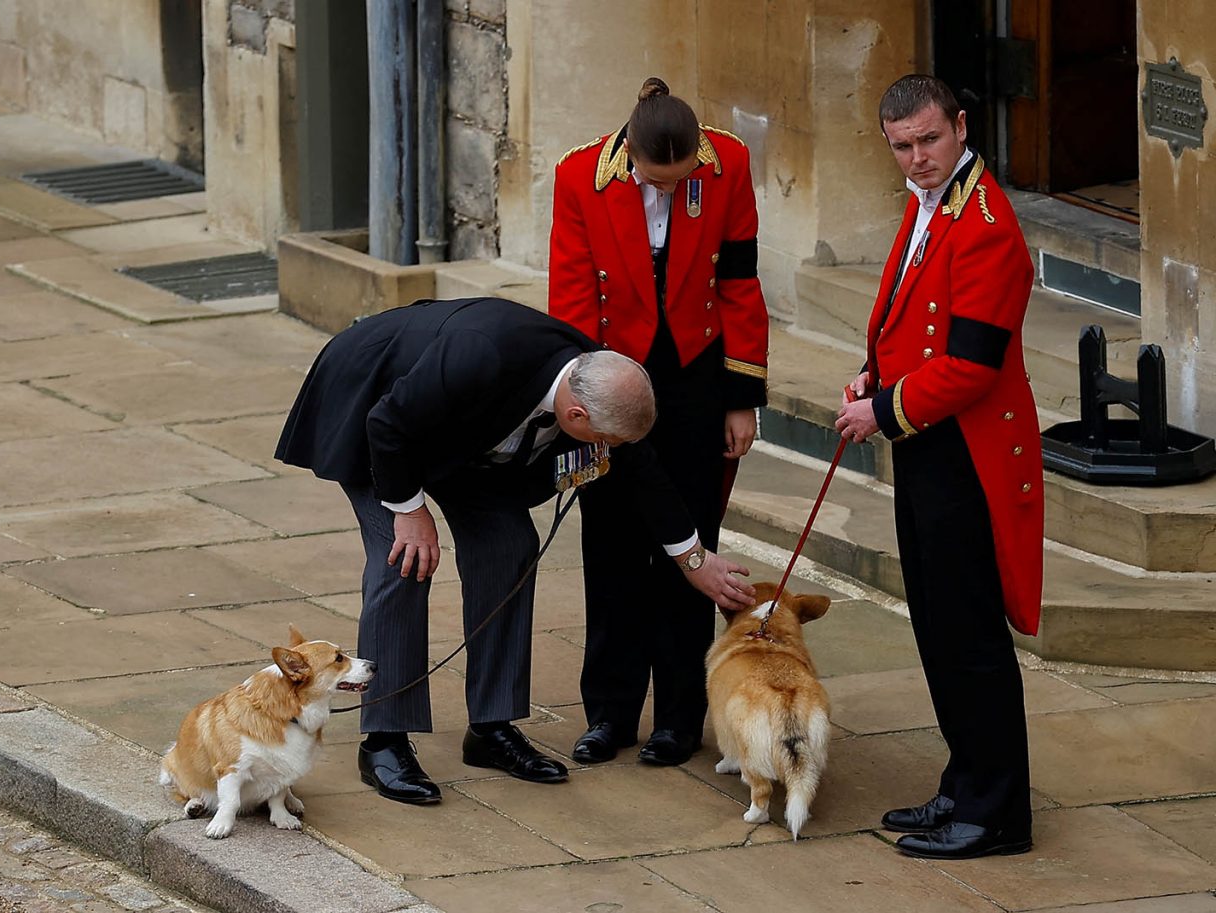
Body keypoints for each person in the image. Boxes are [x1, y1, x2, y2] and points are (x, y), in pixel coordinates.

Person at [275, 296, 755, 805]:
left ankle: (491, 727)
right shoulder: (480, 356)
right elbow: (388, 424)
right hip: (373, 408)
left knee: (510, 544)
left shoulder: (600, 380)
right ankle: (384, 742)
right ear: (575, 414)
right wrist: (411, 513)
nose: (610, 449)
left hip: (459, 435)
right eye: (606, 440)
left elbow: (643, 469)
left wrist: (693, 559)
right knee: (404, 560)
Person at [834, 74, 1043, 859]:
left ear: (959, 126)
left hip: (968, 453)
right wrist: (873, 373)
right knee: (936, 623)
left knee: (970, 633)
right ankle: (964, 782)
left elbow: (972, 364)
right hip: (928, 441)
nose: (917, 157)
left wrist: (881, 409)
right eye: (902, 146)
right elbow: (908, 317)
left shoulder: (986, 223)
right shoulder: (931, 203)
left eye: (928, 139)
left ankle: (998, 813)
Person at [548, 76, 770, 767]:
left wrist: (741, 397)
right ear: (632, 156)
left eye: (680, 182)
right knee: (611, 546)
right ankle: (609, 714)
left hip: (695, 378)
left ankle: (678, 717)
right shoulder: (578, 176)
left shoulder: (729, 162)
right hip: (612, 374)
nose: (670, 192)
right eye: (657, 182)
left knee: (691, 543)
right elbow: (570, 296)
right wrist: (587, 404)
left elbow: (740, 281)